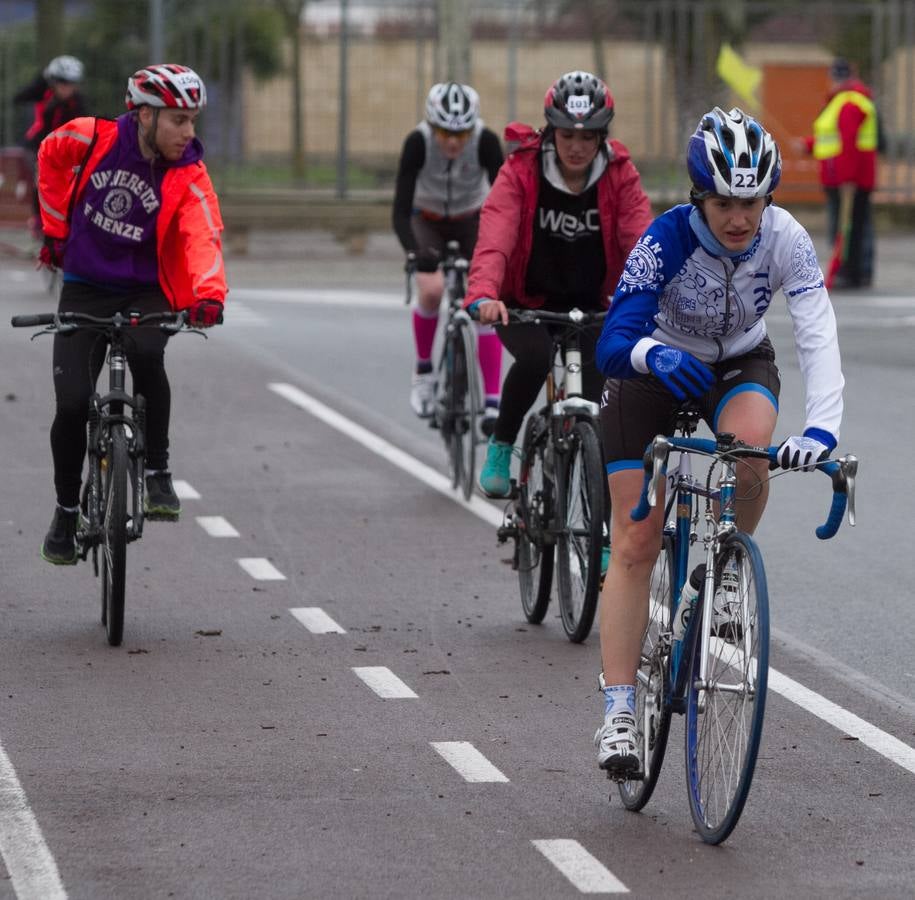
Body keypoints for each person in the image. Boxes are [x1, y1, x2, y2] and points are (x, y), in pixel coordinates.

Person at [593, 107, 845, 774]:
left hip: (736, 362)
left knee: (750, 453)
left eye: (752, 202)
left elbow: (815, 325)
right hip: (654, 368)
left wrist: (821, 427)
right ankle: (619, 711)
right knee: (635, 539)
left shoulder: (783, 238)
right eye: (725, 203)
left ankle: (726, 570)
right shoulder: (665, 239)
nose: (739, 218)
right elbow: (612, 341)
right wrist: (651, 356)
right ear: (698, 196)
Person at [35, 63, 227, 565]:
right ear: (144, 114)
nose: (189, 133)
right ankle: (65, 510)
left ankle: (157, 472)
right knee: (73, 403)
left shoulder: (189, 174)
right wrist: (56, 230)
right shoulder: (91, 137)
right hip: (84, 289)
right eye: (178, 121)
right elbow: (48, 156)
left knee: (147, 352)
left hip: (146, 292)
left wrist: (209, 296)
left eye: (192, 121)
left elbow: (202, 235)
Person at [464, 70, 652, 499]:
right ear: (551, 130)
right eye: (567, 134)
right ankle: (501, 446)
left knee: (607, 396)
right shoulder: (521, 170)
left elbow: (641, 241)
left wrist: (654, 298)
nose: (577, 146)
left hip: (591, 304)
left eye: (588, 137)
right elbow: (496, 235)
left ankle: (606, 536)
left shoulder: (619, 173)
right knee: (533, 359)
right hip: (524, 304)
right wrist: (485, 294)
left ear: (603, 136)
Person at [392, 82, 504, 423]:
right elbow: (399, 210)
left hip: (472, 216)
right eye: (444, 132)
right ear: (431, 126)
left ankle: (492, 401)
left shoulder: (485, 141)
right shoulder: (417, 143)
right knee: (432, 289)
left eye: (462, 133)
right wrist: (415, 253)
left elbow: (504, 200)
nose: (454, 142)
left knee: (485, 300)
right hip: (426, 219)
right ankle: (424, 373)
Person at [800, 58, 878, 288]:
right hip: (847, 177)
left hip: (846, 179)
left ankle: (849, 273)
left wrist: (847, 179)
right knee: (853, 225)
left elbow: (848, 145)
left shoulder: (848, 103)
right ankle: (855, 272)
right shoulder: (847, 101)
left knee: (847, 227)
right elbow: (833, 138)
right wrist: (809, 145)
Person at [13, 55, 87, 236]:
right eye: (61, 82)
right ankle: (38, 222)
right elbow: (18, 98)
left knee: (69, 181)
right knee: (42, 180)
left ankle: (66, 222)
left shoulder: (77, 102)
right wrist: (41, 80)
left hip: (62, 148)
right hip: (36, 145)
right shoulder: (43, 93)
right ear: (53, 82)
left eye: (70, 83)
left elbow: (84, 125)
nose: (65, 87)